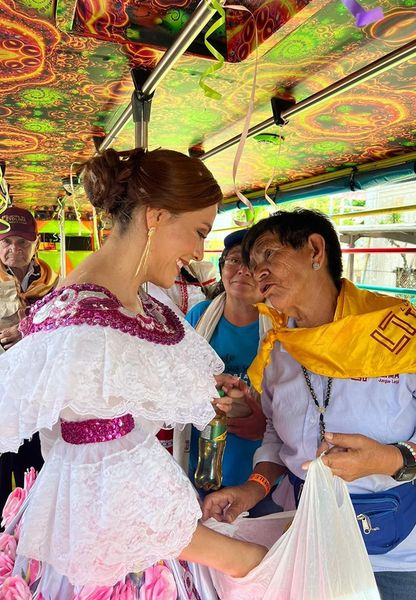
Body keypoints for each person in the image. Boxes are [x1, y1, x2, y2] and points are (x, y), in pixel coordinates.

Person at [0, 148, 266, 598]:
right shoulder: (90, 327)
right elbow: (118, 493)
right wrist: (245, 561)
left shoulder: (130, 303)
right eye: (199, 232)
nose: (200, 252)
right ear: (157, 217)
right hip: (115, 558)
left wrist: (207, 389)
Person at [203, 208, 416, 600]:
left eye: (269, 254)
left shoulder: (396, 327)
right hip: (315, 538)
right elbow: (275, 433)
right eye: (252, 264)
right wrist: (255, 487)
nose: (257, 272)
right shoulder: (279, 350)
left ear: (315, 250)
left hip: (404, 557)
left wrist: (392, 459)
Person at [186, 229, 271, 508]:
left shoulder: (281, 328)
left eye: (253, 263)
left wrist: (265, 424)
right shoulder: (199, 318)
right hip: (200, 462)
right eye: (235, 260)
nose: (242, 270)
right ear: (222, 267)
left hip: (257, 473)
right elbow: (179, 379)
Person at [0, 206, 58, 514]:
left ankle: (25, 547)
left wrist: (30, 334)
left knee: (36, 470)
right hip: (2, 398)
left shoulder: (53, 284)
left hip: (39, 397)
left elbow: (65, 334)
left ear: (35, 245)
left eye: (22, 242)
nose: (14, 249)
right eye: (7, 241)